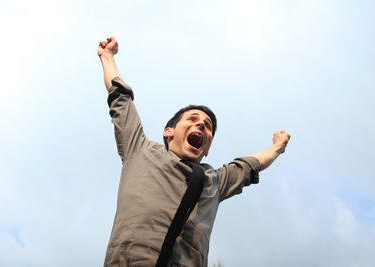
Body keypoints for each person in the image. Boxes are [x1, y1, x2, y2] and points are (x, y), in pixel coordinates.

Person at [98, 36, 291, 267]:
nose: (201, 124)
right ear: (169, 131)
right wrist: (107, 56)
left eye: (207, 126)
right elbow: (121, 99)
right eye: (192, 119)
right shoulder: (140, 150)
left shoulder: (214, 181)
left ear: (207, 148)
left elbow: (250, 165)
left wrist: (277, 147)